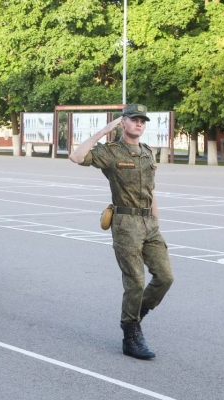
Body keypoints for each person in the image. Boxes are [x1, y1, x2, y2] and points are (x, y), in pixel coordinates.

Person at [68, 104, 174, 360]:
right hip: (126, 224)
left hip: (149, 223)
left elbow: (151, 190)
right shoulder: (111, 152)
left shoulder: (148, 153)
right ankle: (130, 334)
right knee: (135, 281)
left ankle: (136, 317)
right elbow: (76, 156)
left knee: (165, 277)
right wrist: (104, 131)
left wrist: (156, 220)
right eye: (134, 120)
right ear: (123, 123)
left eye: (142, 121)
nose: (139, 124)